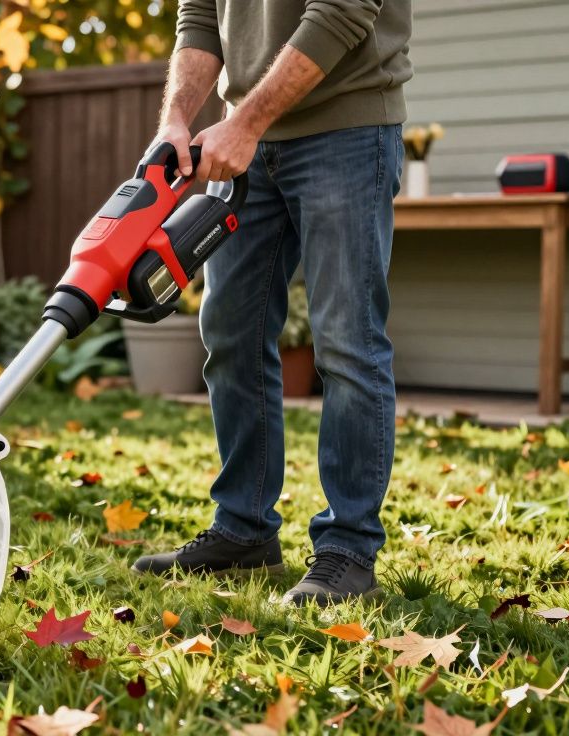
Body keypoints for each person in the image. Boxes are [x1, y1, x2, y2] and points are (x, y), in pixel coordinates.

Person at [131, 0, 413, 606]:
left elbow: (343, 9)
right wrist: (176, 118)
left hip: (347, 131)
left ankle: (348, 548)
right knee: (230, 333)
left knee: (347, 342)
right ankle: (243, 531)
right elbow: (201, 16)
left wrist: (247, 121)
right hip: (243, 144)